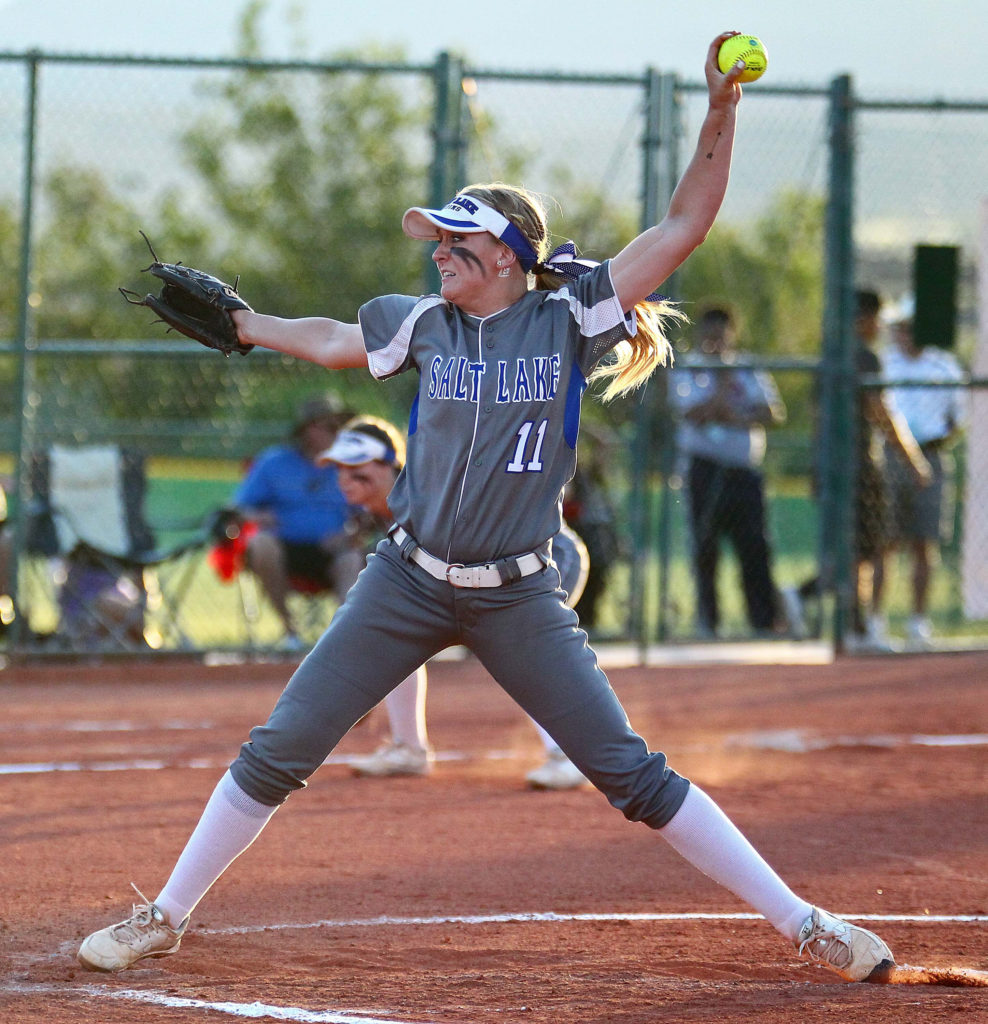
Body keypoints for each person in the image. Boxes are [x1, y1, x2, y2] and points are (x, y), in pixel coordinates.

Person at [78, 36, 895, 985]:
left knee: (631, 775)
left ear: (507, 256)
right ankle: (165, 914)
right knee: (282, 746)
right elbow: (337, 339)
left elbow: (679, 230)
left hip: (518, 596)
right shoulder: (424, 321)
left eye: (456, 240)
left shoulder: (569, 318)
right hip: (408, 579)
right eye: (436, 239)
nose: (438, 252)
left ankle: (805, 923)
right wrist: (248, 326)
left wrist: (720, 111)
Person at [322, 415, 591, 790]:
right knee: (395, 633)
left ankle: (569, 754)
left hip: (541, 554)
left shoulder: (425, 487)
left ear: (390, 463)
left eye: (357, 467)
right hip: (488, 567)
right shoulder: (378, 515)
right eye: (340, 469)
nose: (345, 479)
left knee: (517, 645)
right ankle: (408, 748)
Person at [782, 289, 932, 648]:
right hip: (860, 466)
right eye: (876, 319)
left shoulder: (830, 357)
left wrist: (819, 468)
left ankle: (850, 623)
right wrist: (913, 462)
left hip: (831, 465)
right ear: (864, 319)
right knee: (867, 550)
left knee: (852, 550)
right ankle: (822, 607)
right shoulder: (864, 358)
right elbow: (881, 413)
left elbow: (820, 422)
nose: (878, 327)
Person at [669, 306, 787, 638]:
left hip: (743, 470)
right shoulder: (689, 368)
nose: (716, 342)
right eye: (710, 335)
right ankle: (709, 621)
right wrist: (722, 392)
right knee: (705, 545)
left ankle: (762, 621)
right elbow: (692, 413)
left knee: (754, 546)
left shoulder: (748, 367)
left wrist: (731, 414)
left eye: (722, 335)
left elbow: (772, 412)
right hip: (704, 468)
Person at [231, 394, 363, 650]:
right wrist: (256, 516)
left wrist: (354, 531)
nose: (339, 433)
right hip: (286, 550)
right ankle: (290, 631)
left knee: (352, 558)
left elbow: (369, 512)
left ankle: (340, 640)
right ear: (310, 429)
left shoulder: (349, 464)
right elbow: (239, 508)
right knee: (260, 543)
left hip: (332, 549)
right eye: (332, 427)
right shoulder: (274, 462)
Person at [876, 307, 965, 650]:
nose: (905, 334)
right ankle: (875, 621)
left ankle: (917, 622)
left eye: (912, 327)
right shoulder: (885, 363)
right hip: (890, 457)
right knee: (885, 543)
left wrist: (929, 449)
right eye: (900, 327)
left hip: (930, 455)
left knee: (924, 544)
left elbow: (956, 419)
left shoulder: (944, 365)